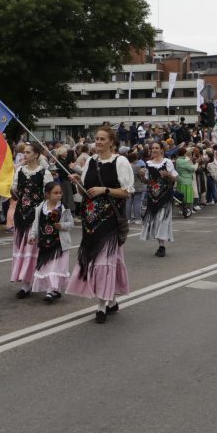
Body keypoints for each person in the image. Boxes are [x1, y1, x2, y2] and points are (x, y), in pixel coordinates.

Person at [65, 126, 134, 323]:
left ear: (112, 142)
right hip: (91, 220)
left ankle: (101, 306)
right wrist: (77, 181)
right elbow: (87, 192)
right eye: (96, 138)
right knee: (96, 261)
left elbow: (127, 192)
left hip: (110, 219)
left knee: (104, 261)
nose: (98, 142)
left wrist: (105, 190)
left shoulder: (120, 161)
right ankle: (111, 301)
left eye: (102, 139)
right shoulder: (91, 162)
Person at [10, 143, 53, 298]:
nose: (24, 155)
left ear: (36, 155)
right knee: (24, 250)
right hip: (21, 215)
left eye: (28, 152)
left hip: (37, 217)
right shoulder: (19, 171)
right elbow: (15, 193)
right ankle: (26, 284)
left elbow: (50, 196)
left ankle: (49, 286)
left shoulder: (44, 173)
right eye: (23, 153)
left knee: (39, 251)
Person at [28, 182, 74, 302]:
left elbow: (71, 223)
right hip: (45, 244)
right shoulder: (40, 208)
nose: (59, 195)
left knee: (56, 268)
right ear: (47, 194)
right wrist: (33, 235)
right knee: (48, 268)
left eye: (60, 193)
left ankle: (50, 291)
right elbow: (36, 223)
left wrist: (62, 225)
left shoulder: (63, 208)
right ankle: (55, 290)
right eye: (55, 193)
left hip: (59, 244)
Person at [140, 141, 178, 257]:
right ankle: (160, 245)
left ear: (162, 149)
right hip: (152, 196)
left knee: (162, 220)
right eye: (153, 148)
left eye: (157, 148)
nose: (154, 150)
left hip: (165, 196)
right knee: (156, 221)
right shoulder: (148, 163)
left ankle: (162, 246)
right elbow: (147, 181)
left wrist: (168, 175)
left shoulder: (167, 162)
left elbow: (175, 179)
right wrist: (141, 176)